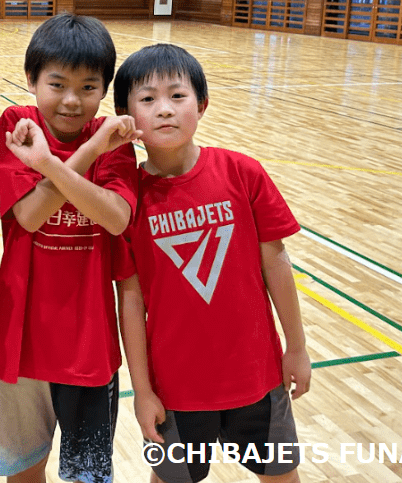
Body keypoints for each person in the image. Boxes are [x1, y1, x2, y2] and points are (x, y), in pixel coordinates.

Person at [112, 43, 311, 483]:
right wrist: (143, 392)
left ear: (201, 104)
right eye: (147, 100)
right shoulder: (127, 201)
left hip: (258, 379)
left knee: (282, 476)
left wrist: (296, 347)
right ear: (127, 120)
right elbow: (130, 301)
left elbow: (277, 266)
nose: (164, 109)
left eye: (177, 95)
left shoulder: (243, 173)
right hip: (176, 391)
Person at [0, 12, 141, 483]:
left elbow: (116, 216)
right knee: (23, 473)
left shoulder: (115, 139)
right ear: (30, 80)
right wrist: (81, 156)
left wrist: (50, 166)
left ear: (104, 89)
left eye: (88, 87)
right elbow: (28, 215)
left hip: (90, 347)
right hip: (20, 343)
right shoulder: (18, 122)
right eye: (57, 84)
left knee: (88, 476)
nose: (71, 100)